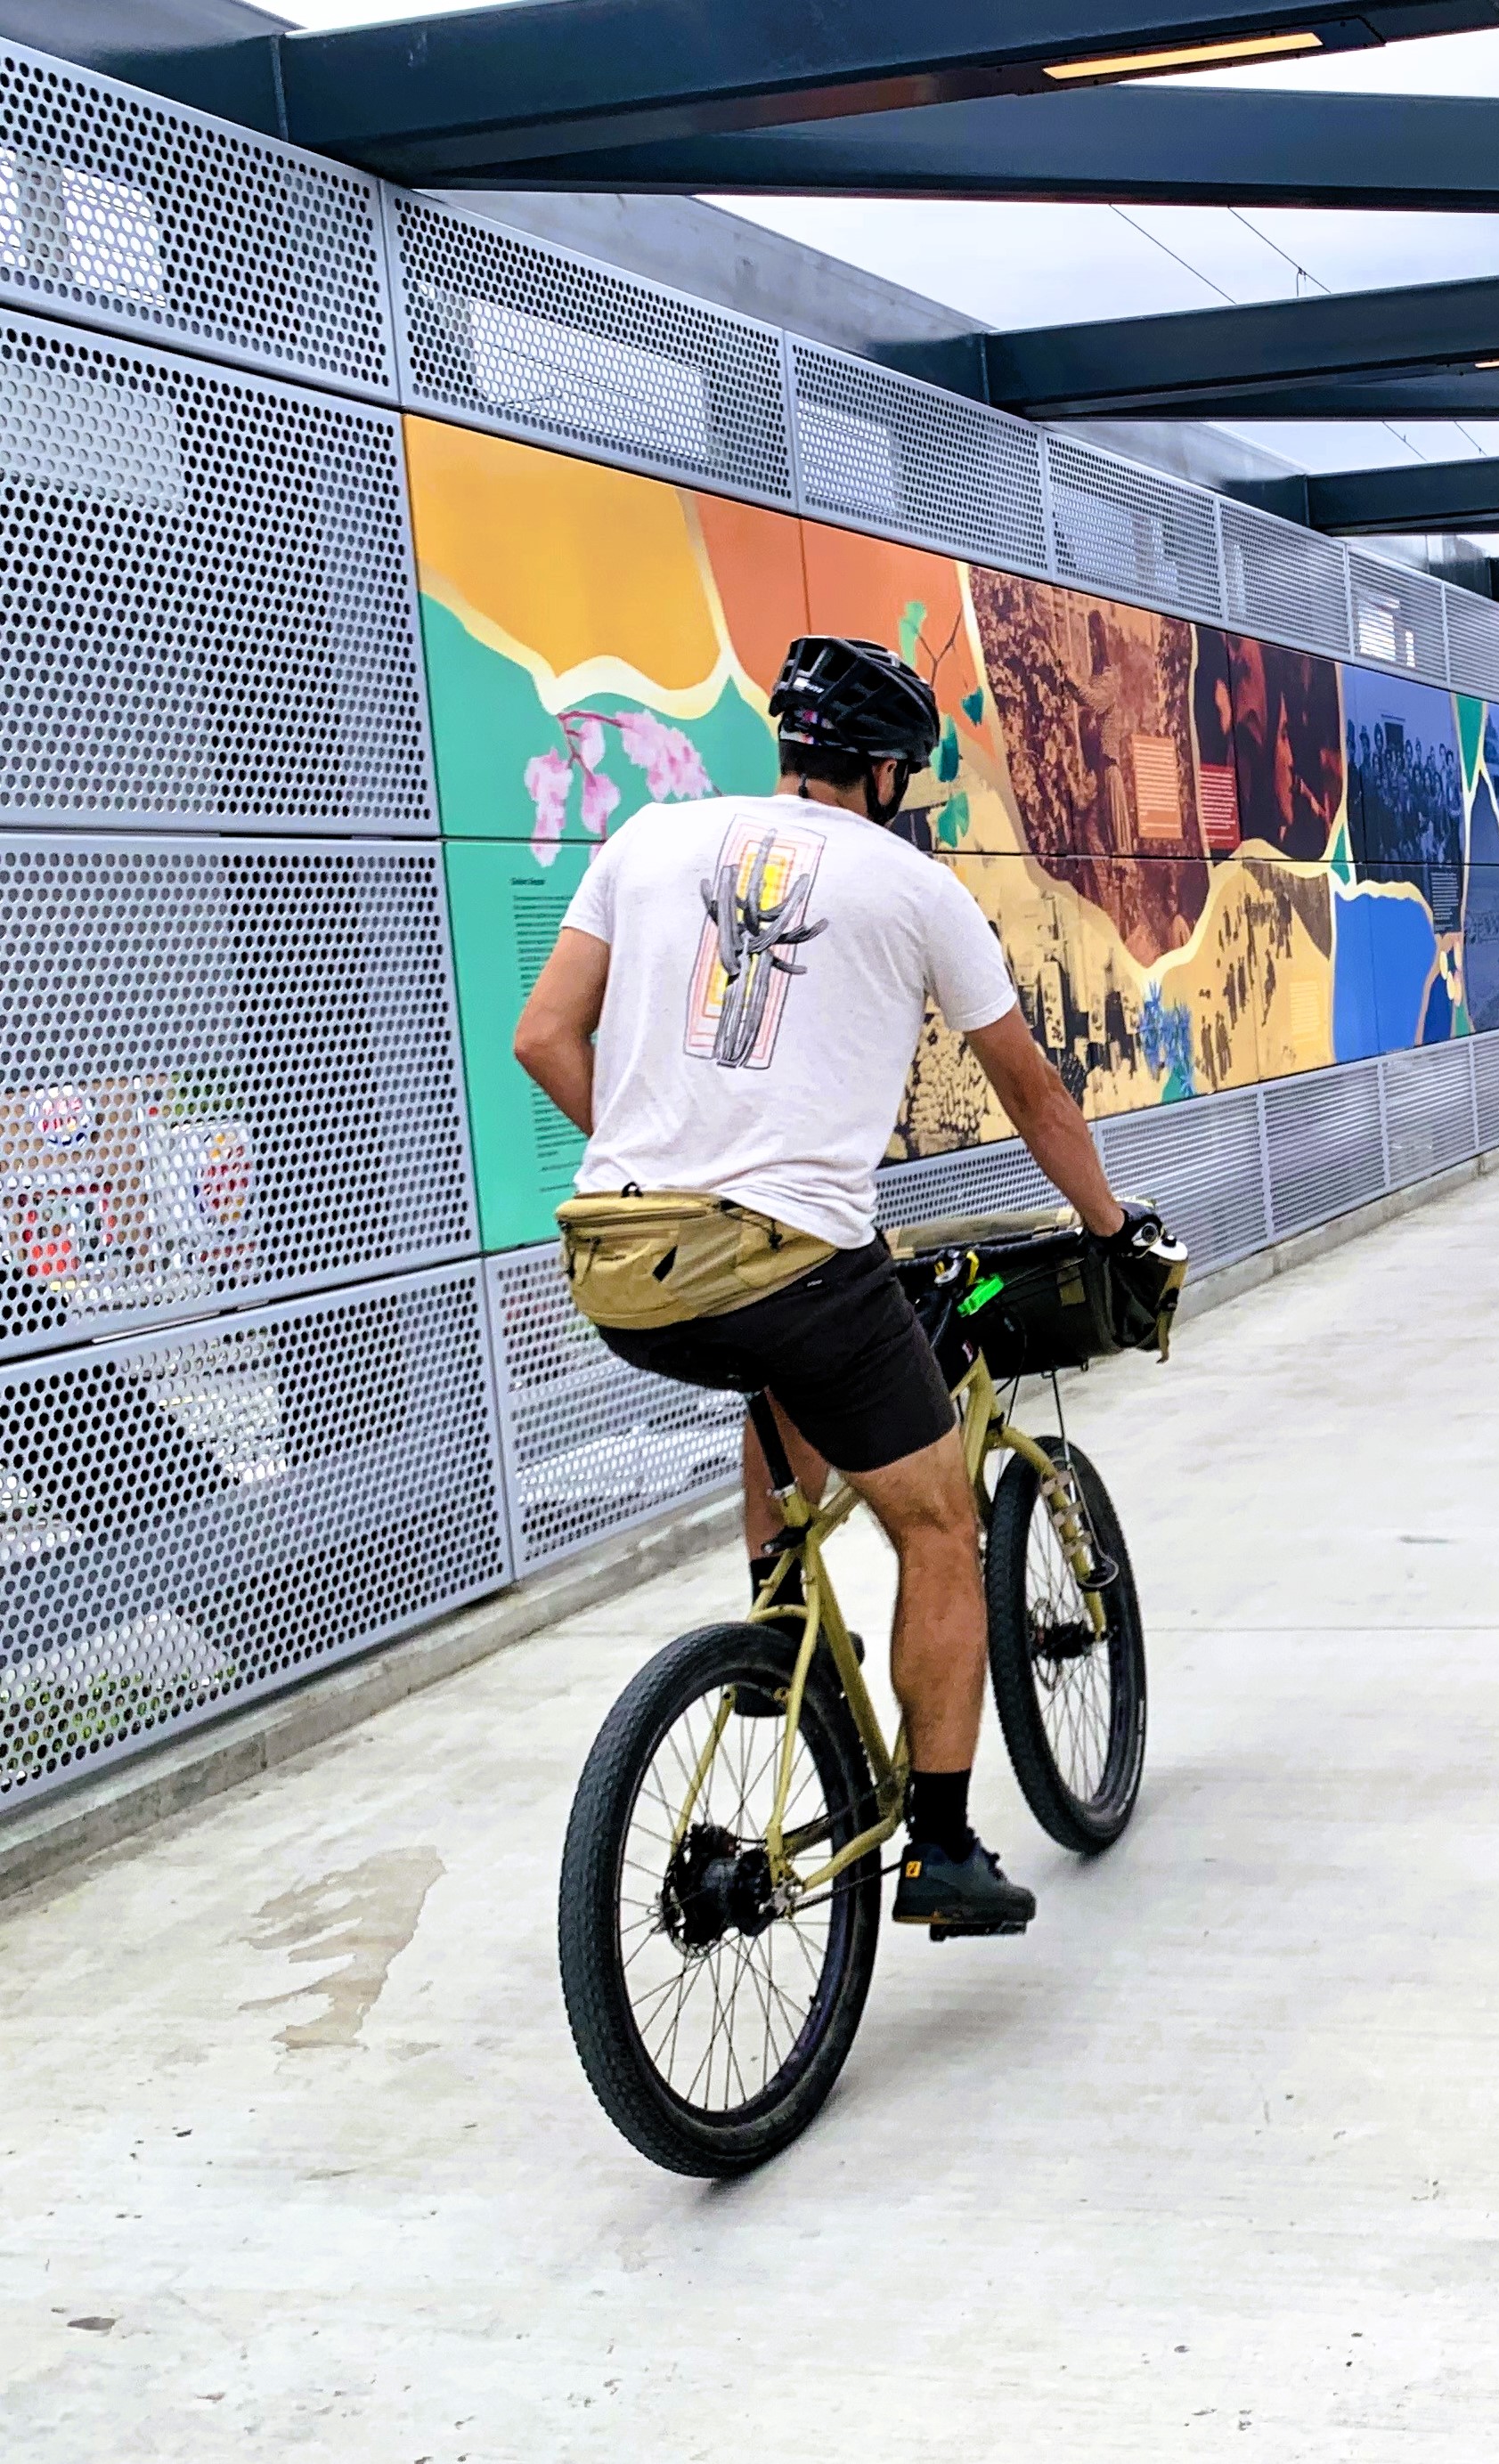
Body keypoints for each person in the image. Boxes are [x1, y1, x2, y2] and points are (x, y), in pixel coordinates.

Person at [515, 635, 1149, 1939]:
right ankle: (943, 1844)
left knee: (777, 1361)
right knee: (934, 1525)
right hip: (793, 1258)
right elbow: (1033, 1091)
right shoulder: (913, 888)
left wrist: (655, 1167)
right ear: (883, 771)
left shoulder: (645, 841)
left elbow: (542, 1035)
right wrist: (1110, 1223)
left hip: (624, 1262)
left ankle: (776, 1622)